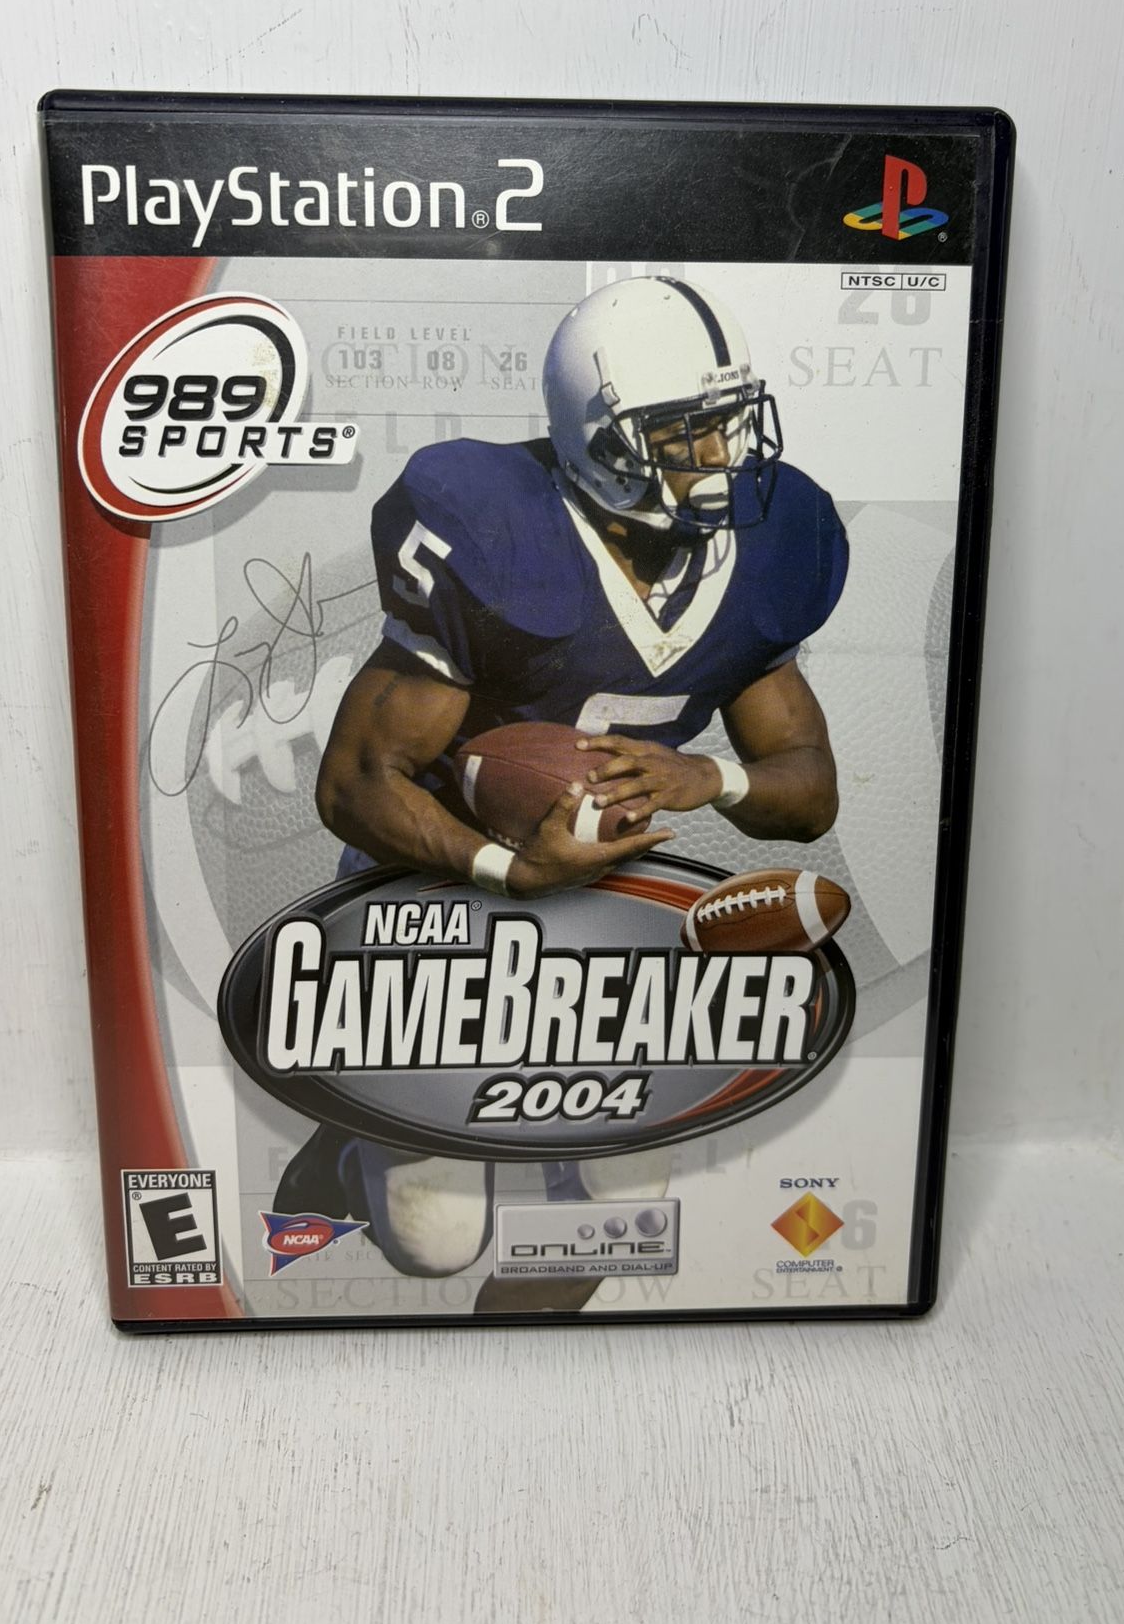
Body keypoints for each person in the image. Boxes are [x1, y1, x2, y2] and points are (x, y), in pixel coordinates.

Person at [277, 275, 849, 1308]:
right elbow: (356, 781)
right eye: (683, 432)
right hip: (437, 886)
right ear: (599, 443)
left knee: (623, 1202)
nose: (720, 455)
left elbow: (808, 792)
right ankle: (353, 1139)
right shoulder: (497, 529)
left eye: (728, 421)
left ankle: (513, 1346)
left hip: (603, 889)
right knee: (437, 1238)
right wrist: (508, 867)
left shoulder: (769, 548)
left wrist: (710, 775)